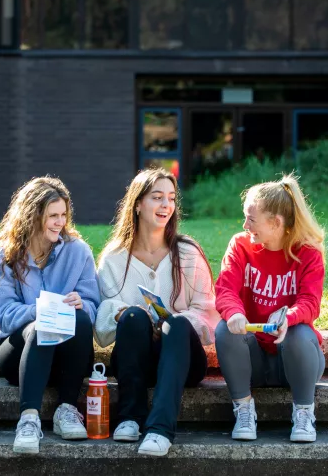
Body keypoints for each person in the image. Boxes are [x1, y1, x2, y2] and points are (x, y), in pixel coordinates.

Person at [94, 168, 220, 457]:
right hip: (137, 359)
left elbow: (208, 314)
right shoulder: (114, 259)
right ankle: (129, 418)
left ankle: (160, 430)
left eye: (171, 198)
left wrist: (169, 322)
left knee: (175, 323)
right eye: (157, 197)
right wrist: (123, 312)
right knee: (134, 317)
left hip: (183, 360)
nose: (166, 205)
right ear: (138, 204)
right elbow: (101, 322)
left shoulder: (188, 252)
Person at [0, 176, 100, 454]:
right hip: (20, 352)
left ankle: (67, 410)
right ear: (32, 217)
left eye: (63, 215)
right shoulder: (5, 256)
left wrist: (82, 304)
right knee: (40, 327)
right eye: (52, 216)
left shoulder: (78, 252)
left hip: (68, 356)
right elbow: (5, 316)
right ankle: (29, 420)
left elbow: (95, 307)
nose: (60, 222)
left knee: (80, 318)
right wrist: (42, 310)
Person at [214, 174, 326, 443]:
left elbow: (310, 303)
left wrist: (289, 316)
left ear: (276, 223)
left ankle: (303, 413)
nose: (245, 225)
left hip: (296, 359)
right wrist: (235, 313)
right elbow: (225, 289)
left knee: (298, 333)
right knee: (224, 329)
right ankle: (243, 410)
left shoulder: (308, 252)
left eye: (251, 219)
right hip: (253, 361)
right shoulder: (240, 246)